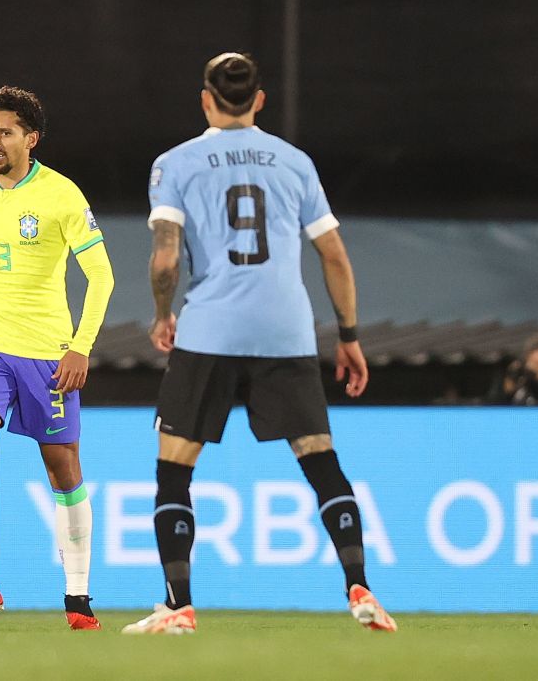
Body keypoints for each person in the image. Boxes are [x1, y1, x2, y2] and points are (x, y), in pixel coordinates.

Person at [122, 53, 396, 634]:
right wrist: (347, 335)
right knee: (321, 461)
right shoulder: (295, 163)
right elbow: (335, 256)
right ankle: (361, 587)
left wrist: (163, 314)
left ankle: (179, 605)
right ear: (260, 100)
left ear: (205, 98)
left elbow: (166, 254)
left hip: (211, 329)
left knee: (175, 471)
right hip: (285, 331)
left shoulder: (174, 164)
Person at [0, 86, 114, 630]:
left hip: (47, 353)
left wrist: (81, 345)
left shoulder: (61, 195)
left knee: (63, 472)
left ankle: (78, 598)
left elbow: (102, 276)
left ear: (30, 139)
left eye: (5, 132)